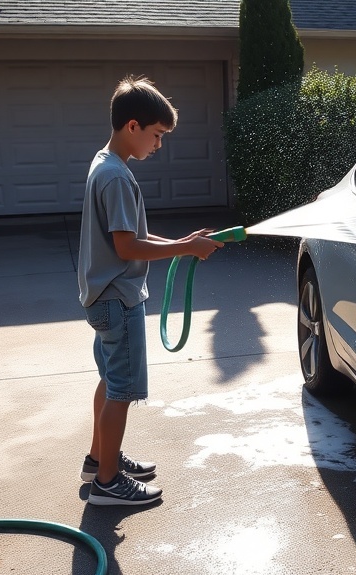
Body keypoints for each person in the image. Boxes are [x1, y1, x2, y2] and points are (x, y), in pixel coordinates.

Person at [77, 75, 223, 505]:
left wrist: (183, 242)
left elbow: (133, 235)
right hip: (119, 301)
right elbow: (126, 246)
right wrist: (185, 247)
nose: (158, 145)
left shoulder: (104, 163)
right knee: (121, 390)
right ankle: (107, 484)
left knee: (108, 381)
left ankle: (98, 459)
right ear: (134, 126)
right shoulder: (117, 178)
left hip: (102, 297)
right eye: (157, 136)